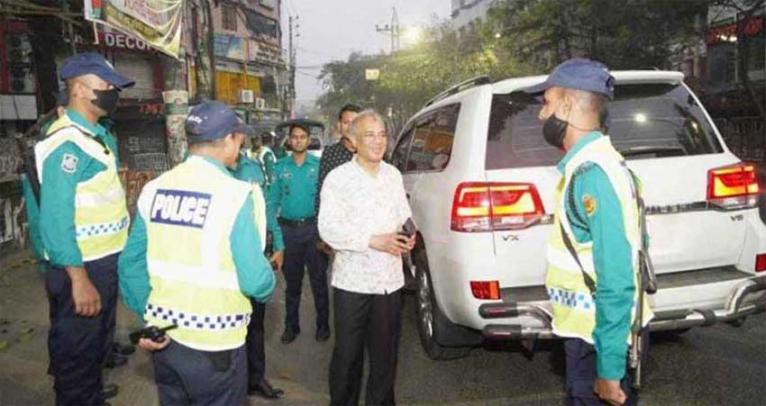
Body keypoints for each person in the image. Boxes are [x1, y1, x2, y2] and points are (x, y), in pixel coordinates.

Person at [118, 101, 275, 405]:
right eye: (239, 138)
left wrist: (148, 318)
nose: (241, 145)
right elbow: (255, 281)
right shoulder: (238, 195)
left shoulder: (155, 188)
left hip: (164, 338)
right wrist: (269, 285)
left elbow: (130, 264)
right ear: (230, 138)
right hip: (217, 343)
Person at [520, 58, 652, 406]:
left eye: (546, 102)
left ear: (566, 105)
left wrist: (608, 369)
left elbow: (618, 277)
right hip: (594, 334)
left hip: (599, 340)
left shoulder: (593, 175)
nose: (541, 115)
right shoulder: (595, 167)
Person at [33, 52, 134, 405]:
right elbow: (55, 220)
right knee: (76, 359)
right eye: (105, 86)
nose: (112, 93)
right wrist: (78, 279)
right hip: (83, 267)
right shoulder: (67, 144)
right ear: (78, 89)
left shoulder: (94, 136)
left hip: (102, 262)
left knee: (93, 350)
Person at [318, 110, 415, 405]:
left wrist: (409, 234)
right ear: (353, 141)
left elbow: (403, 214)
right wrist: (373, 241)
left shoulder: (393, 175)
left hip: (389, 281)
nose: (378, 141)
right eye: (370, 135)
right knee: (348, 357)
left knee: (385, 358)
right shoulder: (338, 179)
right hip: (353, 283)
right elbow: (328, 228)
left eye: (382, 134)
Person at [231, 127, 285, 399]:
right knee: (231, 324)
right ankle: (235, 383)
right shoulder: (212, 172)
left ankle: (256, 377)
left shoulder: (253, 168)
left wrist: (279, 243)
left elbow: (266, 208)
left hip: (256, 252)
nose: (240, 140)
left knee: (257, 322)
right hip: (224, 258)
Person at [269, 121, 329, 344]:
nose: (298, 140)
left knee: (318, 282)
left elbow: (328, 201)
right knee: (292, 285)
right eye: (294, 137)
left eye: (303, 137)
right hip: (288, 232)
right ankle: (291, 326)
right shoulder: (280, 167)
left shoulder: (318, 166)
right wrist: (276, 239)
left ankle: (323, 325)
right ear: (289, 140)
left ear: (309, 140)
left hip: (313, 230)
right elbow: (272, 202)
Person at [316, 103, 361, 214]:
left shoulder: (371, 153)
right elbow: (322, 191)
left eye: (355, 123)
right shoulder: (330, 154)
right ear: (339, 125)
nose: (350, 127)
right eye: (346, 123)